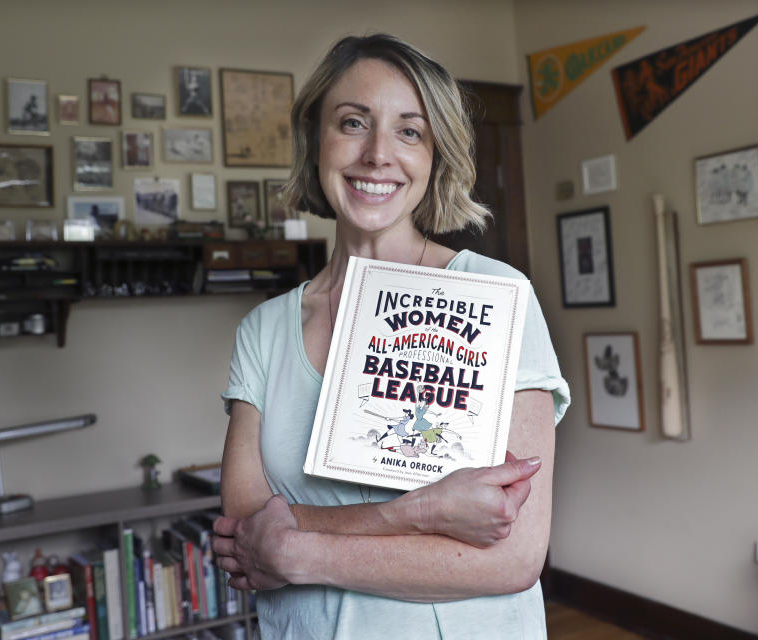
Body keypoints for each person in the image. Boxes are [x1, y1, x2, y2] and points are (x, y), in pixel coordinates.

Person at [213, 33, 570, 639]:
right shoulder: (264, 331)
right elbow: (245, 539)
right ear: (315, 139)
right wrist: (420, 512)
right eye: (354, 122)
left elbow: (514, 558)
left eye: (410, 131)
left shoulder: (498, 297)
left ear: (436, 156)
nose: (378, 154)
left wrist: (298, 552)